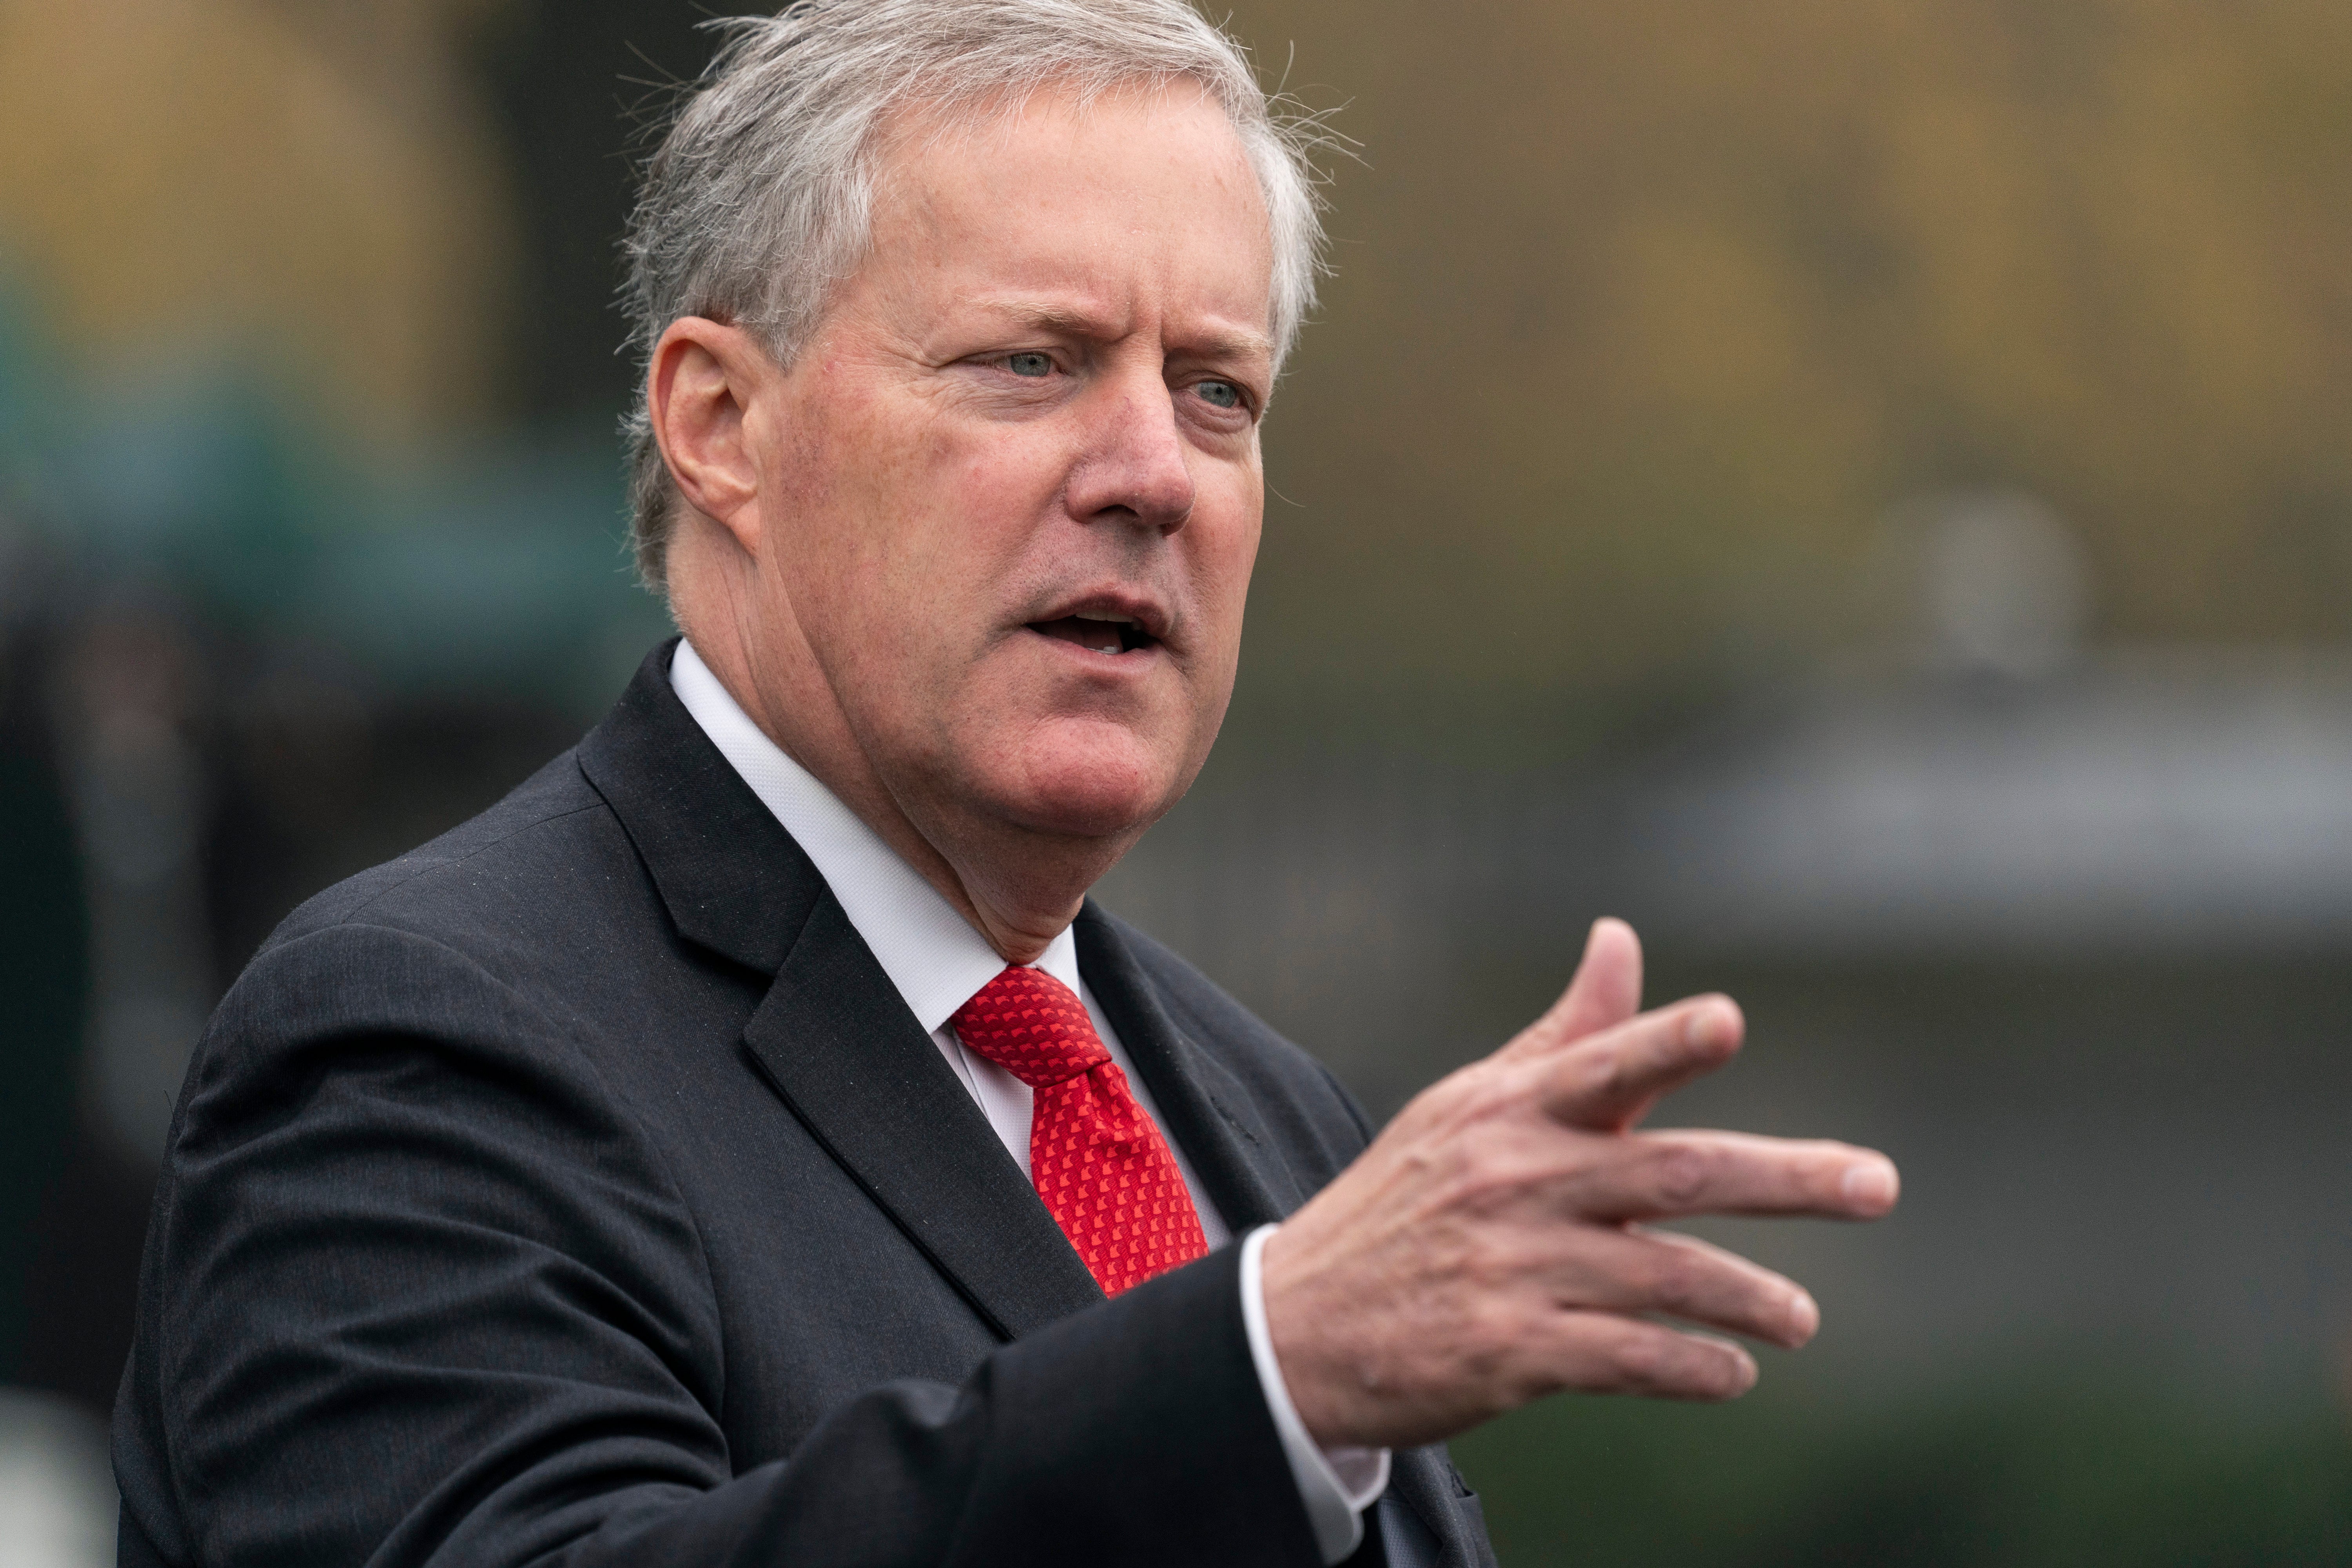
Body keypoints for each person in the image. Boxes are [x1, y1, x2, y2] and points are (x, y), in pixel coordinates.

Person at [111, 3, 1900, 1564]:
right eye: (1032, 362)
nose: (1152, 473)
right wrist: (1263, 1374)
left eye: (1218, 392)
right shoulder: (421, 1040)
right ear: (723, 425)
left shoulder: (1276, 1122)